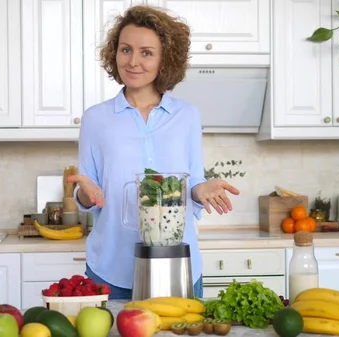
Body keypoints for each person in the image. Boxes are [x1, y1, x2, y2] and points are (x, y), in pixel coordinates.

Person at [68, 5, 240, 300]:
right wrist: (86, 194)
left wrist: (202, 189)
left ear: (165, 59)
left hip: (177, 265)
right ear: (115, 53)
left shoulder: (187, 116)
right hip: (111, 267)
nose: (133, 61)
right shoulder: (96, 119)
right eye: (125, 50)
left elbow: (194, 183)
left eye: (146, 52)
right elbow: (88, 196)